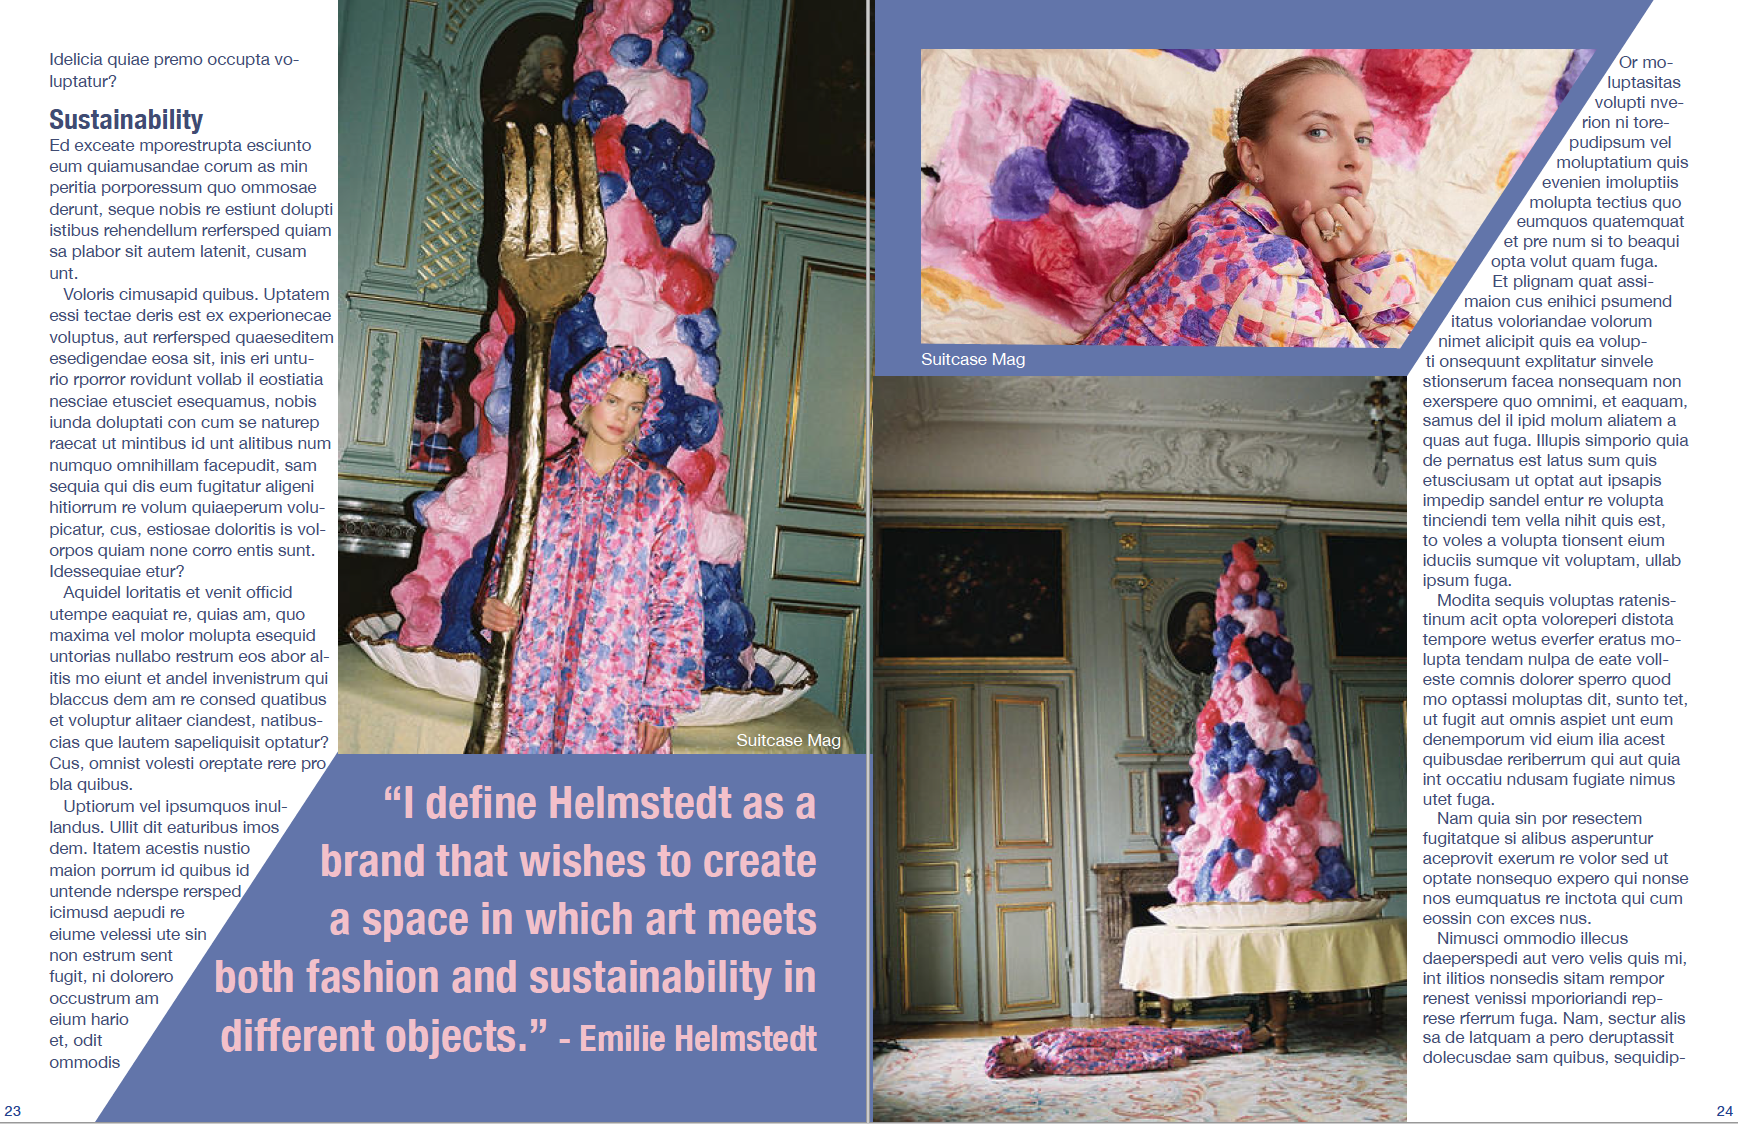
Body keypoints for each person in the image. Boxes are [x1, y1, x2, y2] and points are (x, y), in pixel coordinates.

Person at [1081, 57, 1420, 347]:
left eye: (1363, 139)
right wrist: (1368, 255)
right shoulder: (1263, 275)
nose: (1354, 159)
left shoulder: (1230, 232)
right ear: (1252, 159)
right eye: (1319, 131)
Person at [480, 346, 703, 754]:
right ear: (588, 398)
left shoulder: (661, 494)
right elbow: (508, 566)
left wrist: (660, 704)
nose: (622, 416)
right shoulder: (542, 484)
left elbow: (679, 605)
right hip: (537, 682)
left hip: (617, 691)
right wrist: (497, 603)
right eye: (612, 401)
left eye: (634, 407)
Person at [985, 1023, 1272, 1078]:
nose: (1019, 1051)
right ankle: (1249, 1038)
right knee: (1190, 1041)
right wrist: (1159, 1059)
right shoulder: (1059, 1061)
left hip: (1124, 1034)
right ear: (1018, 1069)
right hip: (1134, 1046)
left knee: (1187, 1036)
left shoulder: (1042, 1043)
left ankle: (1244, 1037)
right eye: (1014, 1059)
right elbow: (1111, 1063)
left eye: (1013, 1048)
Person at [492, 34, 569, 130]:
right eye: (551, 67)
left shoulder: (561, 106)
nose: (560, 74)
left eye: (562, 67)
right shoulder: (523, 111)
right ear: (536, 70)